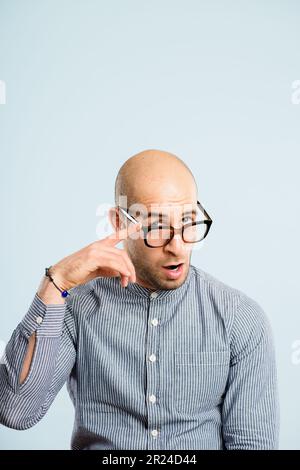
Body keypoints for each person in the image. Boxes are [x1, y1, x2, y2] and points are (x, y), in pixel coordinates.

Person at [0, 149, 279, 449]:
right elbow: (16, 411)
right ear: (119, 223)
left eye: (187, 221)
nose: (177, 246)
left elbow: (253, 444)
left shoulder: (241, 318)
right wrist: (54, 284)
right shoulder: (75, 309)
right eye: (158, 226)